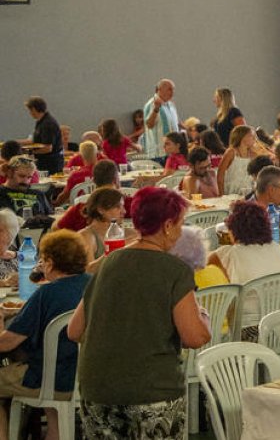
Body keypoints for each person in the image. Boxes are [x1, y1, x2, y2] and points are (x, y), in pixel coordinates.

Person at [68, 187, 211, 438]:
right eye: (180, 224)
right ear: (167, 225)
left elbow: (74, 330)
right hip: (152, 390)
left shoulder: (108, 262)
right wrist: (204, 319)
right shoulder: (174, 270)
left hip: (97, 390)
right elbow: (195, 337)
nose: (180, 231)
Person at [0, 230, 89, 436]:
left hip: (51, 379)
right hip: (84, 375)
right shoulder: (93, 283)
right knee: (55, 413)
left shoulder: (47, 293)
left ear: (49, 263)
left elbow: (5, 344)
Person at [208, 201, 280, 336]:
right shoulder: (277, 249)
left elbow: (202, 267)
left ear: (234, 228)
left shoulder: (228, 253)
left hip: (248, 332)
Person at [76, 187, 126, 262]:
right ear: (101, 210)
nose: (124, 211)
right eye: (117, 207)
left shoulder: (126, 233)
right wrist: (111, 253)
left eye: (123, 206)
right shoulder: (86, 237)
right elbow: (88, 271)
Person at [0, 156, 52, 222]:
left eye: (29, 177)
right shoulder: (1, 193)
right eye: (21, 176)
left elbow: (50, 216)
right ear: (10, 173)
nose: (26, 181)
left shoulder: (38, 194)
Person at [217, 126, 264, 197]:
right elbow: (220, 174)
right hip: (231, 193)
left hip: (248, 192)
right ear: (242, 137)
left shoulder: (253, 155)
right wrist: (221, 194)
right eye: (251, 136)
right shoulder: (231, 152)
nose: (255, 138)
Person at [142, 79, 181, 163]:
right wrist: (156, 109)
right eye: (169, 89)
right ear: (159, 90)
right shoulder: (151, 104)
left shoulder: (170, 105)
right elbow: (149, 125)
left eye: (173, 89)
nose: (172, 92)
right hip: (159, 154)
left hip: (173, 152)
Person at [23, 97, 64, 174]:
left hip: (50, 164)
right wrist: (15, 143)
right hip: (45, 162)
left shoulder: (48, 124)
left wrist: (29, 152)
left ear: (34, 109)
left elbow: (47, 148)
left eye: (30, 110)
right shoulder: (41, 121)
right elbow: (34, 141)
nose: (30, 113)